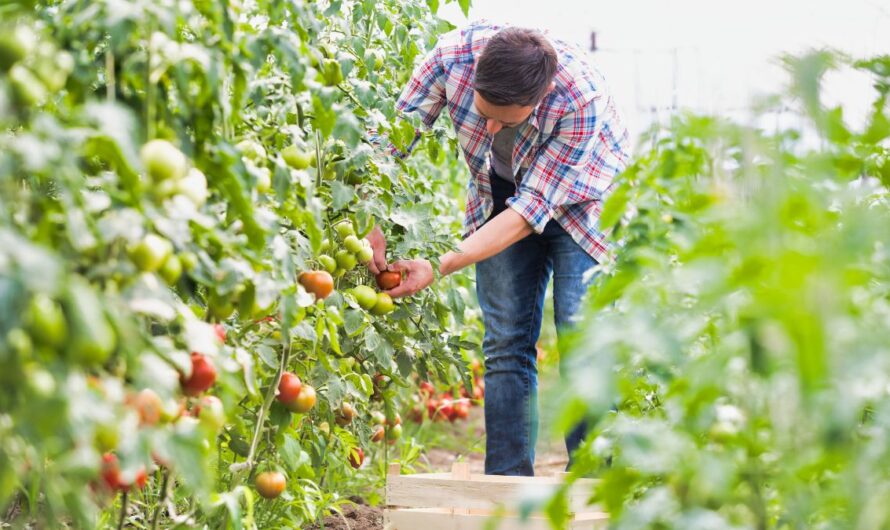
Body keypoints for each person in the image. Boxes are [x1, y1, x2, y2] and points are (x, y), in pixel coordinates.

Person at [367, 21, 630, 476]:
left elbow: (531, 211)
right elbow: (388, 143)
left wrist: (439, 264)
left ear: (540, 96)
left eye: (505, 120)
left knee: (581, 334)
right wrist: (369, 216)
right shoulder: (450, 59)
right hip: (500, 194)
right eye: (481, 111)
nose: (488, 128)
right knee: (505, 342)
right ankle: (507, 484)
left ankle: (592, 482)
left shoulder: (580, 99)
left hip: (586, 205)